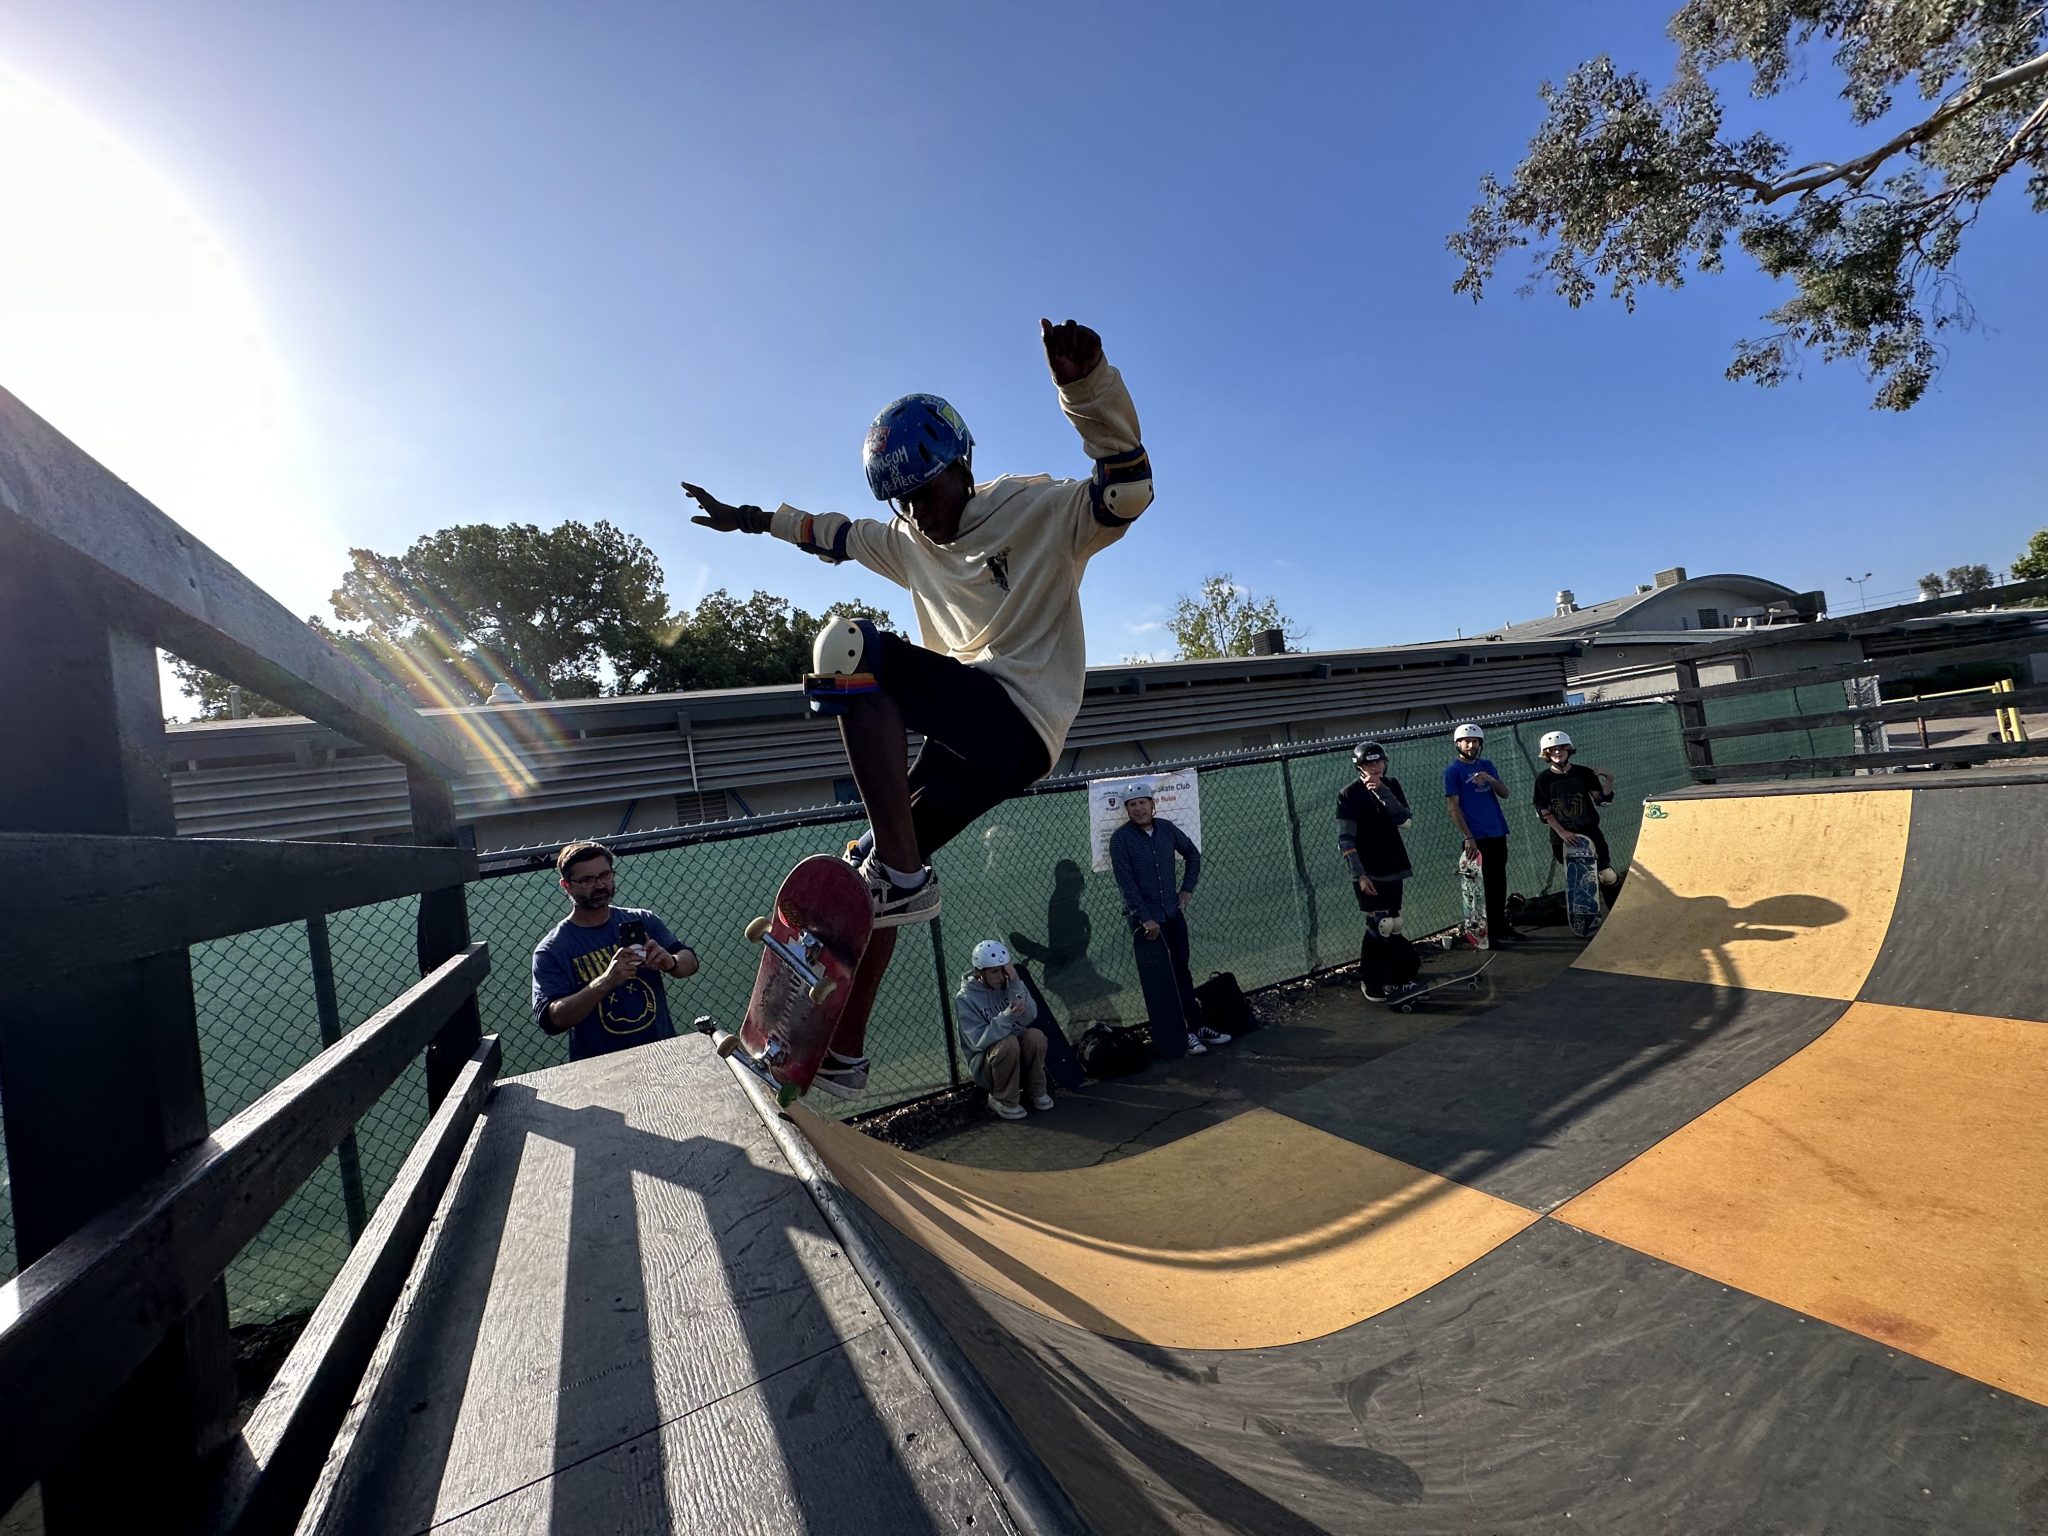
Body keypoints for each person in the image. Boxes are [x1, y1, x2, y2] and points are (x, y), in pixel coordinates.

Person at [680, 317, 1151, 1097]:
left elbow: (1127, 490)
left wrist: (1086, 386)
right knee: (864, 883)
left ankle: (901, 872)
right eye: (903, 502)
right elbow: (830, 533)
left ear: (961, 466)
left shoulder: (1038, 509)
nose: (920, 516)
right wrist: (750, 520)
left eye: (927, 492)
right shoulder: (907, 539)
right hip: (968, 730)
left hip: (1018, 720)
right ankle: (842, 1057)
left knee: (851, 648)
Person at [531, 841, 699, 1062]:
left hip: (662, 1053)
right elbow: (551, 1020)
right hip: (601, 1068)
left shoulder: (642, 920)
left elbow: (690, 961)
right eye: (586, 880)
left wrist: (671, 962)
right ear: (566, 885)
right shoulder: (552, 949)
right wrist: (606, 981)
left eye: (605, 875)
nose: (600, 885)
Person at [1109, 782, 1232, 1055]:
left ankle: (1197, 1026)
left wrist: (1187, 889)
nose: (1138, 808)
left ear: (1153, 805)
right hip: (1148, 924)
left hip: (1172, 914)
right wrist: (1145, 918)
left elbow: (1193, 856)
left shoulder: (1166, 829)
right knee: (1162, 980)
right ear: (1127, 810)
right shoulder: (1120, 839)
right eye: (1132, 805)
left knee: (1182, 972)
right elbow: (1126, 883)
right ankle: (1181, 1034)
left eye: (1142, 802)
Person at [1337, 741, 1422, 1001]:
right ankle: (1371, 980)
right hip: (1368, 870)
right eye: (1368, 763)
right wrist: (1359, 874)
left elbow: (1404, 819)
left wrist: (1383, 791)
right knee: (1379, 925)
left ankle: (1398, 976)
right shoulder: (1348, 794)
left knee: (1394, 924)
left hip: (1393, 864)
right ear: (1359, 767)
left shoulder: (1391, 785)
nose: (1374, 767)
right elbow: (1345, 838)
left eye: (1378, 762)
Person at [1443, 722, 1527, 945]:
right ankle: (1484, 931)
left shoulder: (1487, 765)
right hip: (1476, 838)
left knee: (1499, 883)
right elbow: (1453, 806)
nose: (1471, 745)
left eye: (1475, 742)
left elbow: (1505, 793)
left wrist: (1491, 779)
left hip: (1497, 832)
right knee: (1481, 888)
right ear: (1458, 744)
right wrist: (1468, 836)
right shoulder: (1453, 771)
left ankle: (1501, 928)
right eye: (1466, 741)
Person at [954, 939, 1053, 1121]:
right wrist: (1006, 1017)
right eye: (994, 972)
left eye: (1003, 970)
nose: (1000, 977)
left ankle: (1037, 1090)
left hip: (1015, 1058)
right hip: (987, 1066)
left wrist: (1015, 980)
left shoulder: (1009, 982)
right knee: (1008, 1043)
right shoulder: (965, 998)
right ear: (979, 972)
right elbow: (977, 1042)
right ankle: (1002, 1099)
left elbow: (1030, 1016)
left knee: (1035, 1036)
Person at [1533, 730, 1620, 896]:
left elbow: (1602, 800)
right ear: (1546, 754)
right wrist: (1563, 832)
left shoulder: (1583, 773)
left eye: (1561, 748)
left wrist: (1609, 779)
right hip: (1563, 838)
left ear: (1568, 750)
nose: (1557, 752)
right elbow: (1543, 810)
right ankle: (1585, 914)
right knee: (1580, 876)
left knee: (1606, 874)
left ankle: (1616, 914)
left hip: (1590, 831)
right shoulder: (1543, 779)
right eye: (1552, 750)